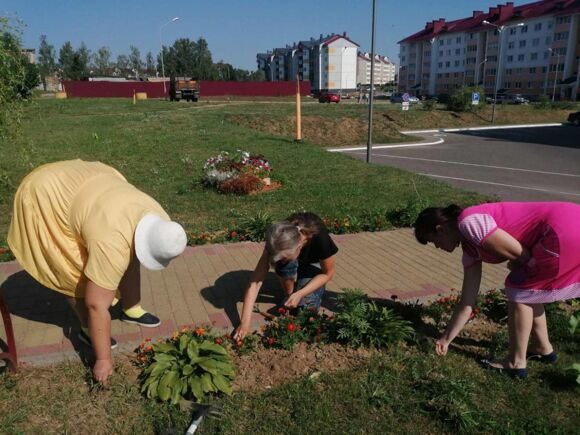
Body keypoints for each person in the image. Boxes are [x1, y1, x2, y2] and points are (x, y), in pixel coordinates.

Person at [7, 159, 187, 383]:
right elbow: (96, 303)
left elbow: (136, 246)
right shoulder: (111, 240)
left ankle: (131, 308)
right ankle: (86, 329)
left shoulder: (159, 218)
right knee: (74, 274)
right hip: (46, 195)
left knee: (130, 251)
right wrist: (103, 360)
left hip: (87, 182)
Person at [414, 202, 580, 378]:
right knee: (530, 289)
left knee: (519, 289)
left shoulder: (469, 222)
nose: (437, 247)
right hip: (570, 222)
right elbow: (467, 303)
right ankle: (543, 348)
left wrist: (521, 265)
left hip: (562, 229)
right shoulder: (470, 251)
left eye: (433, 241)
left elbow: (523, 255)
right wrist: (445, 339)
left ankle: (515, 363)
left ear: (440, 229)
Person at [233, 212, 338, 340]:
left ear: (299, 247)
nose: (280, 261)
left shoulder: (320, 239)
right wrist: (244, 323)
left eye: (284, 258)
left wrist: (300, 293)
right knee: (285, 268)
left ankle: (299, 287)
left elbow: (328, 273)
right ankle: (289, 294)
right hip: (291, 253)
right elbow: (255, 283)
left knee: (305, 311)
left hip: (316, 264)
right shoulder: (278, 239)